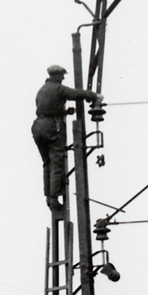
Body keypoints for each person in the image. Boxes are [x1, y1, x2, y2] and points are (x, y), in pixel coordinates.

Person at [31, 65, 99, 215]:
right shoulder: (57, 88)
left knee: (47, 163)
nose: (62, 78)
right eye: (62, 76)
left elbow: (47, 108)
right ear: (56, 76)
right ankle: (54, 197)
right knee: (57, 161)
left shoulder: (42, 90)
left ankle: (49, 197)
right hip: (51, 127)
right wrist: (93, 95)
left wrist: (64, 112)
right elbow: (75, 94)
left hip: (38, 126)